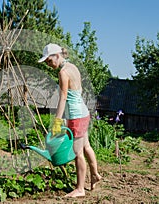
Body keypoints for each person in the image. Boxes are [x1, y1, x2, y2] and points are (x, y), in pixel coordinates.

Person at [38, 43, 102, 198]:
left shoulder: (63, 72)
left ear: (57, 55)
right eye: (46, 62)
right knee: (86, 146)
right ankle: (95, 175)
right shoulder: (73, 67)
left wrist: (58, 121)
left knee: (77, 152)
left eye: (49, 60)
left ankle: (80, 189)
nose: (48, 64)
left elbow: (63, 98)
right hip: (83, 112)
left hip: (75, 116)